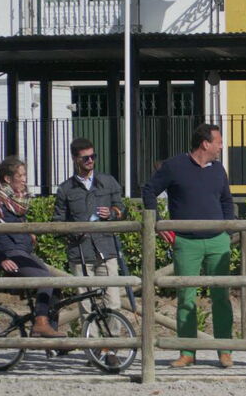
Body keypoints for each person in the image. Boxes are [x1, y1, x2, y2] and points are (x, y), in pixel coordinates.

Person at [141, 123, 235, 369]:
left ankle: (225, 351)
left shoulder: (218, 170)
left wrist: (227, 228)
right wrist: (158, 223)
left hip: (218, 240)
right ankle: (187, 351)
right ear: (205, 143)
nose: (221, 146)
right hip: (186, 241)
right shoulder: (174, 166)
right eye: (218, 141)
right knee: (186, 298)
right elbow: (149, 190)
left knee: (221, 297)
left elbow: (226, 200)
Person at [52, 138, 125, 358]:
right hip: (80, 252)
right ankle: (93, 350)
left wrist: (111, 213)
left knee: (113, 301)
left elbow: (122, 209)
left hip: (106, 248)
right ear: (75, 159)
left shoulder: (108, 181)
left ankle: (111, 346)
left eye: (93, 156)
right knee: (86, 306)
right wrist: (74, 230)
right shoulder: (65, 189)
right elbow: (57, 222)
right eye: (85, 158)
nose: (90, 161)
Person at [0, 157, 65, 338]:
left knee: (57, 285)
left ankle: (52, 333)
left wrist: (28, 234)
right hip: (11, 254)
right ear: (8, 179)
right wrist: (2, 259)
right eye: (21, 175)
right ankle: (41, 324)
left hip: (24, 252)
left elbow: (17, 225)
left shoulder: (18, 203)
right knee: (45, 279)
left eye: (25, 175)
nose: (25, 179)